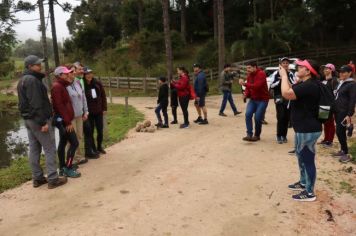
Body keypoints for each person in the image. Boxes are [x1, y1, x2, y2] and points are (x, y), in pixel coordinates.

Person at [17, 55, 67, 189]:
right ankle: (53, 179)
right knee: (50, 148)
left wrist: (29, 118)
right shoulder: (32, 80)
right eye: (37, 64)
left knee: (34, 149)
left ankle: (38, 178)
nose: (40, 66)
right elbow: (36, 103)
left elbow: (23, 104)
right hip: (38, 120)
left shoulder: (22, 80)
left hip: (29, 120)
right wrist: (42, 122)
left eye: (40, 64)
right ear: (29, 66)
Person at [280, 59, 322, 202]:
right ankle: (303, 182)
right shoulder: (305, 84)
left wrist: (284, 76)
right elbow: (293, 90)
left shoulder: (309, 85)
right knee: (300, 156)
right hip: (303, 128)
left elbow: (286, 93)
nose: (297, 67)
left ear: (308, 71)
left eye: (301, 66)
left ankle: (309, 193)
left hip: (308, 129)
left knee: (308, 159)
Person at [51, 66, 81, 178]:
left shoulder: (62, 85)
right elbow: (59, 106)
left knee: (63, 143)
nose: (68, 75)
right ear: (60, 75)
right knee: (74, 143)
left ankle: (63, 167)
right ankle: (68, 168)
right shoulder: (57, 87)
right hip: (64, 121)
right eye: (66, 73)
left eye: (68, 73)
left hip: (64, 119)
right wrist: (67, 122)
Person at [65, 64, 89, 165]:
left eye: (74, 71)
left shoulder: (78, 82)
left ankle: (79, 156)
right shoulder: (64, 85)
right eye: (72, 71)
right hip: (70, 117)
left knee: (79, 136)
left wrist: (86, 111)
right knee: (71, 139)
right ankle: (71, 159)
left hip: (79, 115)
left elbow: (83, 97)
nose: (74, 73)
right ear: (67, 73)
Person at [239, 61, 269, 142]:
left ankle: (257, 135)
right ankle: (249, 134)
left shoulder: (261, 74)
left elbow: (257, 86)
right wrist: (245, 94)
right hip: (253, 99)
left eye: (249, 68)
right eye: (247, 68)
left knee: (258, 117)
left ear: (255, 67)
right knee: (248, 114)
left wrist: (244, 84)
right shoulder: (249, 75)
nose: (247, 70)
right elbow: (249, 88)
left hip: (263, 100)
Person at [332, 65, 356, 163]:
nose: (341, 73)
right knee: (339, 131)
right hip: (337, 110)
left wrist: (349, 114)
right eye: (340, 72)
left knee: (339, 130)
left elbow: (352, 99)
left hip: (344, 111)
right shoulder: (341, 83)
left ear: (350, 73)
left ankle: (345, 152)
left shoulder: (352, 84)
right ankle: (343, 150)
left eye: (344, 72)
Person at [270, 57, 296, 144]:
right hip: (278, 97)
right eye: (283, 63)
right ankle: (279, 135)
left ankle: (284, 136)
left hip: (288, 97)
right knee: (280, 116)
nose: (285, 64)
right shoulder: (276, 73)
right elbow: (272, 86)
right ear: (280, 64)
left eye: (287, 63)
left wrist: (285, 79)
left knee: (287, 117)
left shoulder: (291, 74)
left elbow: (294, 85)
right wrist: (279, 81)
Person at [83, 68, 107, 154]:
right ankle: (93, 149)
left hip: (98, 111)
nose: (89, 75)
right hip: (89, 112)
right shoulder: (83, 85)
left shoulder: (97, 83)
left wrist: (104, 108)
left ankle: (99, 146)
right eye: (87, 74)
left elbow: (103, 96)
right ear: (84, 75)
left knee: (100, 130)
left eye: (90, 73)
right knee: (91, 131)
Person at [318, 63, 338, 147]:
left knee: (330, 123)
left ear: (332, 70)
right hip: (323, 104)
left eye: (328, 68)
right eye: (325, 68)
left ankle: (330, 141)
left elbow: (336, 94)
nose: (325, 70)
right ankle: (326, 139)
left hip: (331, 105)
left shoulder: (334, 80)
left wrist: (334, 105)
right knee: (325, 123)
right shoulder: (322, 80)